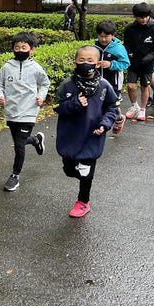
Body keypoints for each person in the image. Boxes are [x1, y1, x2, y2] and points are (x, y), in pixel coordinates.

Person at [54, 46, 119, 218]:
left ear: (98, 64)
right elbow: (57, 106)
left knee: (86, 173)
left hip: (93, 135)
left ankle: (83, 202)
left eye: (90, 61)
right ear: (74, 63)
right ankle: (79, 173)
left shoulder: (104, 86)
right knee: (69, 170)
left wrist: (105, 124)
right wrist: (74, 103)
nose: (86, 64)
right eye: (82, 60)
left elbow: (112, 107)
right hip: (70, 136)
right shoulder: (67, 85)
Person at [0, 32, 50, 192]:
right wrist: (0, 96)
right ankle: (36, 140)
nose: (19, 50)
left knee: (19, 145)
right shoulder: (7, 67)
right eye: (17, 47)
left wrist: (41, 96)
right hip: (11, 111)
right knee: (21, 141)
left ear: (31, 49)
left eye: (23, 47)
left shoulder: (35, 68)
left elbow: (45, 83)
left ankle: (15, 176)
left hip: (29, 111)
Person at [123, 2, 154, 121]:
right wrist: (128, 52)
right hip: (133, 63)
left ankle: (142, 109)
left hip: (147, 64)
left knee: (145, 86)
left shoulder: (153, 29)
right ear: (135, 16)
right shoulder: (130, 29)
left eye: (146, 16)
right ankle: (134, 106)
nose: (144, 19)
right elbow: (126, 44)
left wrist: (149, 57)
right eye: (141, 17)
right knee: (130, 86)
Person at [94, 20, 130, 135]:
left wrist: (111, 64)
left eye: (106, 36)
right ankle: (99, 125)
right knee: (99, 103)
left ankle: (119, 118)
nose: (103, 39)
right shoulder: (95, 47)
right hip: (97, 82)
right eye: (101, 36)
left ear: (113, 35)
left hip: (113, 83)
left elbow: (125, 63)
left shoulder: (118, 48)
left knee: (112, 105)